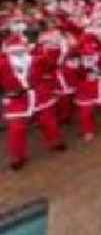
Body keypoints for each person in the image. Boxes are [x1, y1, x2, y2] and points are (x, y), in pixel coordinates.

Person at [0, 33, 66, 170]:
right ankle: (18, 156)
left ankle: (55, 141)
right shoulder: (3, 64)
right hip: (17, 99)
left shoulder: (37, 59)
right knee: (16, 128)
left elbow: (53, 65)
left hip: (39, 94)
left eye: (20, 49)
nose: (18, 51)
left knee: (48, 120)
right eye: (14, 50)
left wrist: (53, 45)